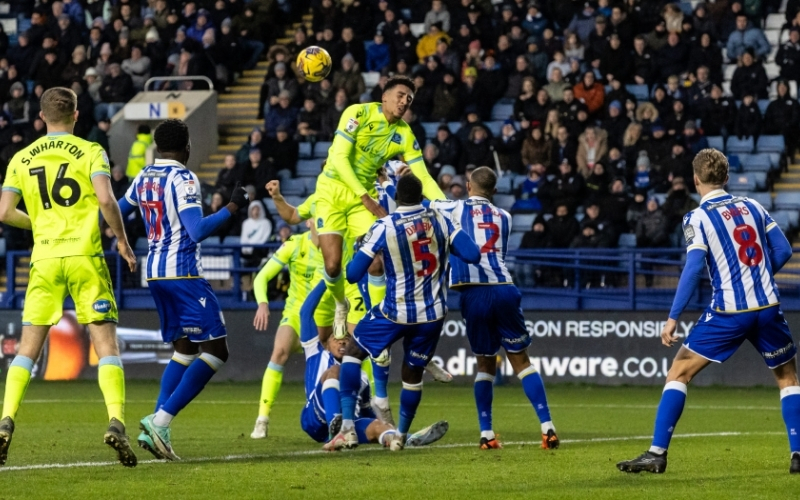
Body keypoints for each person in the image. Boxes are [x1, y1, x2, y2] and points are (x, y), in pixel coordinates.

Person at [617, 149, 799, 475]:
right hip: (769, 306)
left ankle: (657, 453)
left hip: (730, 310)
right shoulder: (752, 206)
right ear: (726, 178)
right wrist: (757, 276)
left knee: (679, 372)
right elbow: (784, 249)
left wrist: (673, 317)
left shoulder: (697, 217)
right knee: (788, 378)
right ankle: (797, 454)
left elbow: (692, 269)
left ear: (695, 179)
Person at [0, 87, 139, 467]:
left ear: (41, 117)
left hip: (44, 259)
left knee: (27, 349)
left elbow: (4, 211)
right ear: (77, 115)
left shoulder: (21, 157)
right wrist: (124, 244)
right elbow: (107, 200)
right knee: (105, 344)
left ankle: (5, 421)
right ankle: (115, 421)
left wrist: (41, 226)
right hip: (85, 257)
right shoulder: (91, 151)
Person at [119, 119, 250, 461]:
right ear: (187, 147)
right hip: (184, 274)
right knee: (217, 350)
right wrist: (232, 207)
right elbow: (196, 230)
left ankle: (157, 426)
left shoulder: (144, 175)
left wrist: (121, 241)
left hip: (155, 275)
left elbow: (116, 210)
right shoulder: (183, 178)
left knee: (185, 349)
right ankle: (160, 420)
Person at [326, 174, 480, 451]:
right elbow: (472, 254)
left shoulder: (385, 226)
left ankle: (348, 427)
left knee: (353, 352)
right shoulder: (441, 220)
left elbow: (351, 274)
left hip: (394, 312)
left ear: (396, 199)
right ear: (421, 197)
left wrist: (364, 247)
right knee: (412, 374)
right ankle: (400, 435)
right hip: (432, 315)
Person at [430, 167, 559, 449]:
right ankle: (547, 427)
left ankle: (487, 434)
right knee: (522, 362)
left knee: (485, 365)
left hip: (473, 292)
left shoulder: (454, 208)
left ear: (467, 186)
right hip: (503, 288)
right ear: (495, 192)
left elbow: (427, 199)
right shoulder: (506, 217)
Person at [313, 76, 445, 339]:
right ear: (383, 96)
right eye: (400, 95)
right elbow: (338, 158)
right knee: (332, 267)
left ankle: (377, 322)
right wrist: (366, 198)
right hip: (332, 191)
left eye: (409, 98)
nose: (404, 101)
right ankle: (341, 304)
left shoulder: (405, 134)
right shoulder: (358, 113)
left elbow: (424, 177)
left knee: (376, 263)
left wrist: (448, 207)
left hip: (363, 198)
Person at [298, 280, 448, 449]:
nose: (342, 343)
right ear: (326, 343)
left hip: (350, 425)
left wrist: (383, 426)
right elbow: (305, 312)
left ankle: (402, 439)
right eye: (336, 340)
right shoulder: (316, 353)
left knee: (378, 427)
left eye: (346, 340)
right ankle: (336, 422)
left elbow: (366, 410)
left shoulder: (360, 376)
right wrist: (330, 279)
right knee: (336, 371)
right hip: (315, 418)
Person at [250, 218, 326, 439]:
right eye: (319, 220)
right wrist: (262, 303)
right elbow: (261, 277)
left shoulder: (339, 246)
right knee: (279, 352)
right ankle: (262, 419)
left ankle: (351, 415)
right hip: (296, 314)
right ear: (309, 222)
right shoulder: (295, 244)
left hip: (326, 316)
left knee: (335, 365)